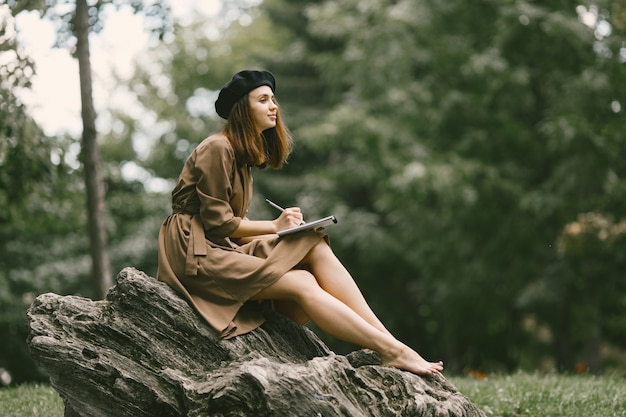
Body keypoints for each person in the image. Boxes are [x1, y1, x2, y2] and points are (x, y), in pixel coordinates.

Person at [157, 70, 443, 375]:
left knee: (312, 243)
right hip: (194, 254)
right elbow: (219, 223)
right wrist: (275, 226)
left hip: (220, 246)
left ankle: (389, 342)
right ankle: (391, 349)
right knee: (302, 283)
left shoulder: (240, 158)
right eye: (263, 100)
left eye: (273, 99)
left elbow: (232, 230)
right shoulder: (218, 148)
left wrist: (291, 233)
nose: (274, 107)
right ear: (243, 109)